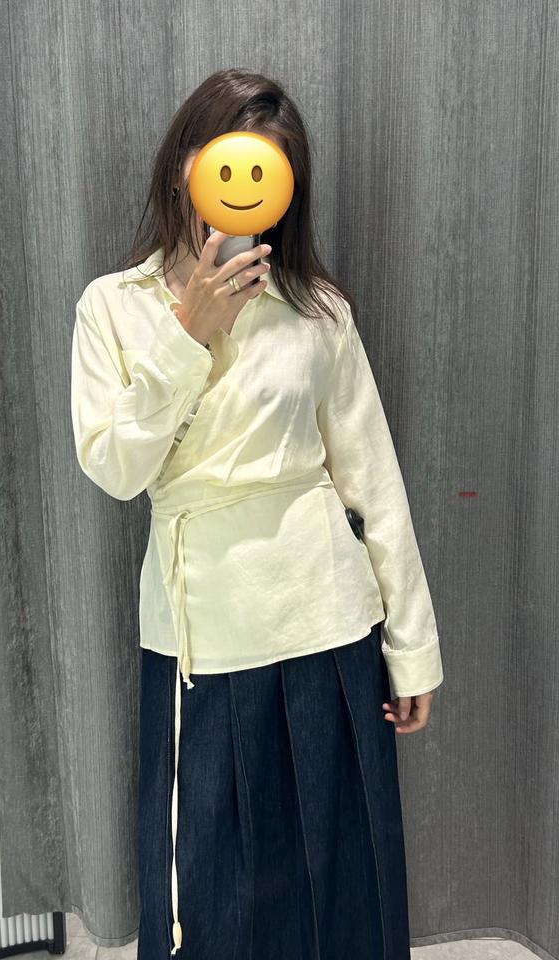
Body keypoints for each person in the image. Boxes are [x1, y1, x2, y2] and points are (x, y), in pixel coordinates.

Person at [71, 68, 444, 960]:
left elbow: (374, 483)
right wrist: (187, 331)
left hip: (327, 622)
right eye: (223, 159)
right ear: (184, 166)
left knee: (344, 889)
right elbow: (117, 470)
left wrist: (412, 648)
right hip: (200, 640)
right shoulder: (114, 308)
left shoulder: (316, 311)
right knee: (208, 905)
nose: (240, 187)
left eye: (267, 171)